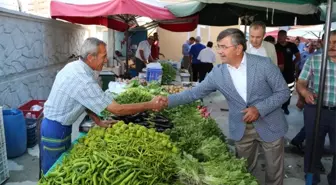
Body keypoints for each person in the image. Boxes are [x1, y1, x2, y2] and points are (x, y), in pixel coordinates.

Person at [157, 28, 290, 185]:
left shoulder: (263, 64)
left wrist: (259, 109)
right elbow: (194, 94)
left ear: (239, 48)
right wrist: (167, 100)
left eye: (223, 47)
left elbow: (283, 92)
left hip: (271, 125)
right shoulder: (217, 73)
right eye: (218, 46)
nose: (219, 51)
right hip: (242, 128)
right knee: (242, 172)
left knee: (274, 173)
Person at [41, 37, 165, 174]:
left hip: (59, 126)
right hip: (55, 128)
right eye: (103, 56)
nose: (106, 60)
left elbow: (85, 101)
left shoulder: (76, 67)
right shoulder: (82, 78)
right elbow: (117, 109)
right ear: (90, 57)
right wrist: (150, 104)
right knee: (53, 172)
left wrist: (98, 121)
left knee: (60, 166)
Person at [297, 30, 336, 185]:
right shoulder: (314, 60)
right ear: (323, 43)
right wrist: (305, 93)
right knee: (313, 147)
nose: (332, 46)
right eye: (330, 42)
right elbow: (301, 82)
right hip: (316, 109)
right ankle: (312, 178)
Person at [275, 30, 301, 115]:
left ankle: (285, 106)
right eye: (279, 36)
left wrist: (292, 63)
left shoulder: (291, 45)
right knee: (278, 90)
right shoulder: (276, 46)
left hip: (289, 72)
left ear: (285, 37)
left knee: (289, 89)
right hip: (278, 72)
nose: (280, 38)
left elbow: (298, 56)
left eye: (282, 36)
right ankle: (278, 106)